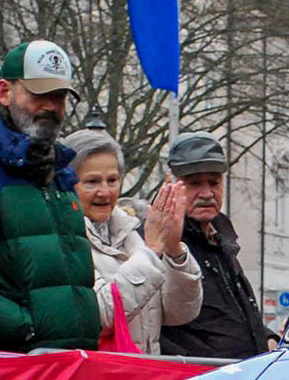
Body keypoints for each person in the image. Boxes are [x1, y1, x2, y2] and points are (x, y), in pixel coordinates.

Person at [0, 40, 100, 350]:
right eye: (40, 94)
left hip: (68, 362)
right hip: (18, 365)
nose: (52, 107)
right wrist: (28, 328)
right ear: (4, 92)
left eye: (59, 97)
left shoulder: (56, 166)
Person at [68, 129, 202, 354]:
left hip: (143, 375)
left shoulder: (129, 233)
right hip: (102, 377)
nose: (105, 192)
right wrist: (152, 250)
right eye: (92, 182)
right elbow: (100, 314)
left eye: (112, 180)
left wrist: (174, 249)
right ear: (68, 184)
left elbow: (180, 313)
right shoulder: (66, 236)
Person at [159, 133, 271, 359]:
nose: (207, 193)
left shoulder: (221, 237)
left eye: (214, 182)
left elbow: (233, 315)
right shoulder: (157, 240)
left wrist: (267, 337)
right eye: (194, 183)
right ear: (170, 185)